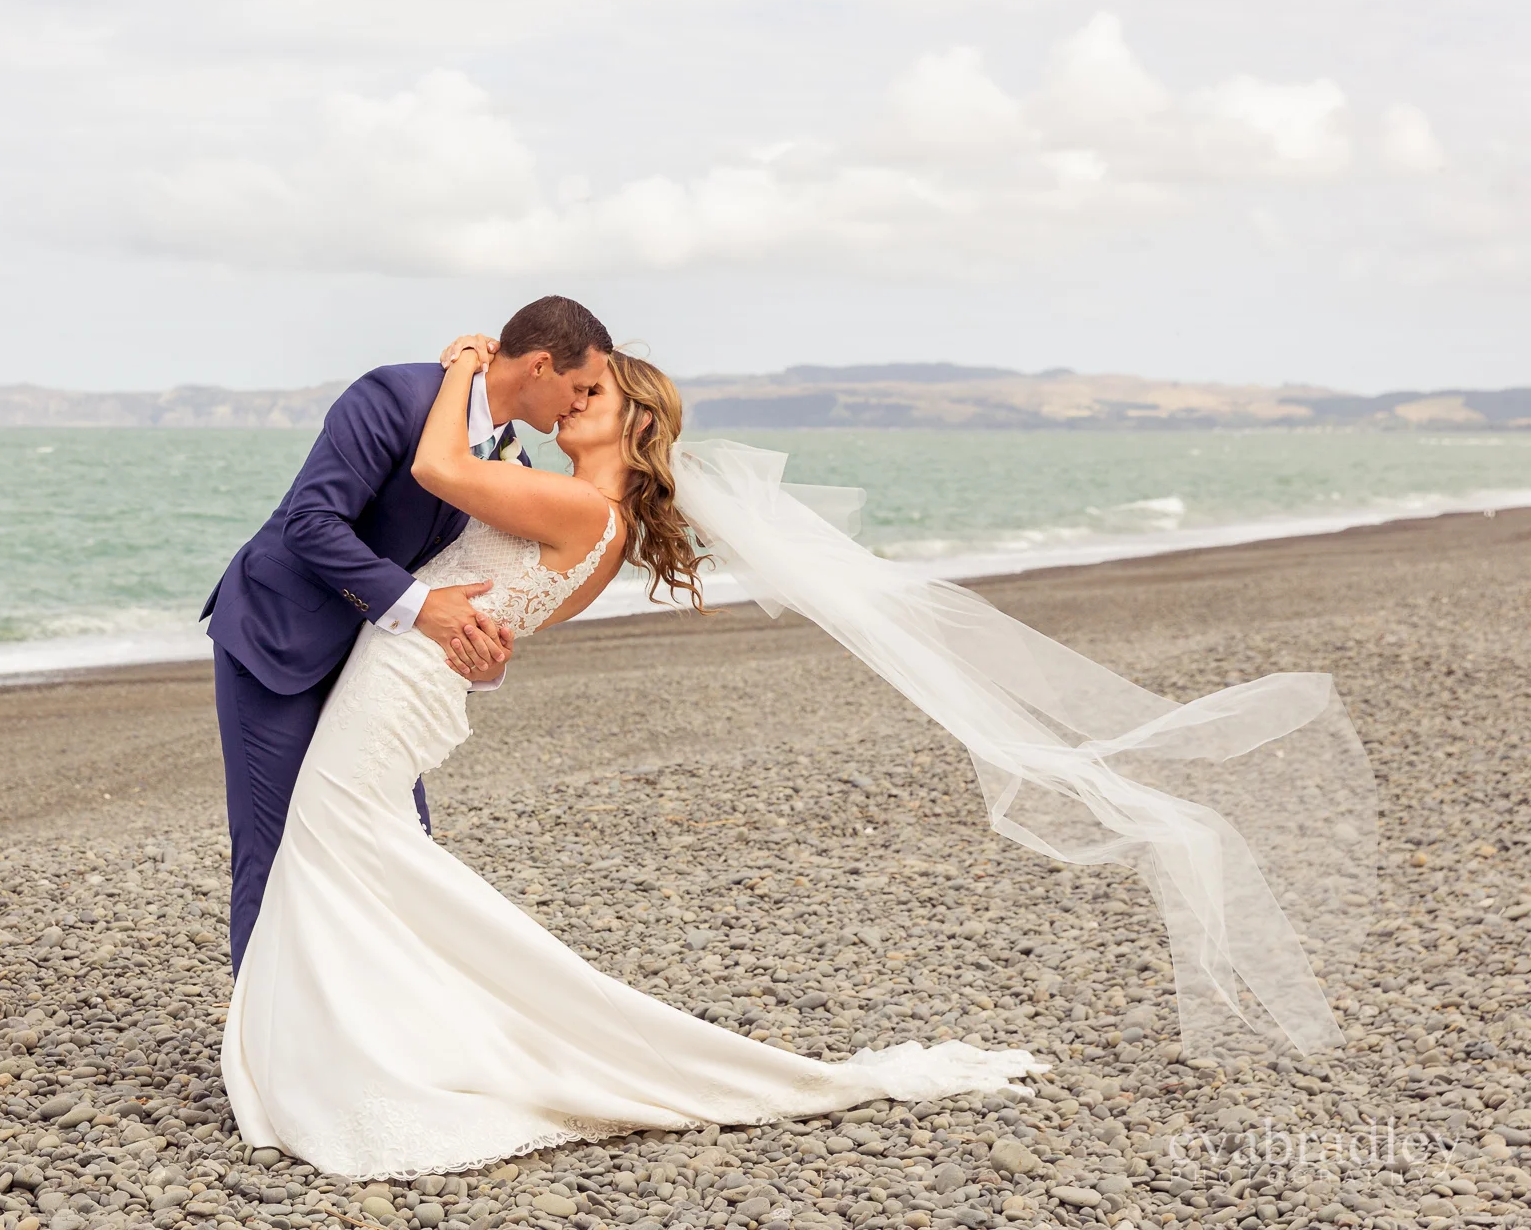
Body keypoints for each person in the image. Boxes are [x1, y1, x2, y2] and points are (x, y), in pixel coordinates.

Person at [221, 334, 1378, 1179]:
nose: (576, 401)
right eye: (579, 385)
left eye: (596, 396)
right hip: (417, 678)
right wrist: (460, 616)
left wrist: (466, 370)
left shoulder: (577, 505)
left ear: (626, 427)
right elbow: (492, 595)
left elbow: (434, 479)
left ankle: (351, 1048)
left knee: (344, 849)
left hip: (407, 678)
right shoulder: (585, 512)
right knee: (363, 854)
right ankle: (373, 1032)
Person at [202, 296, 614, 972]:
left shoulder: (510, 451)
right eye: (579, 387)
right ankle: (263, 1053)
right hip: (278, 639)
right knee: (272, 853)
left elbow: (481, 574)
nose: (581, 402)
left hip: (373, 667)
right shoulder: (393, 394)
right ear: (540, 365)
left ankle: (376, 1028)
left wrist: (484, 653)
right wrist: (421, 607)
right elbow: (311, 522)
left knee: (397, 844)